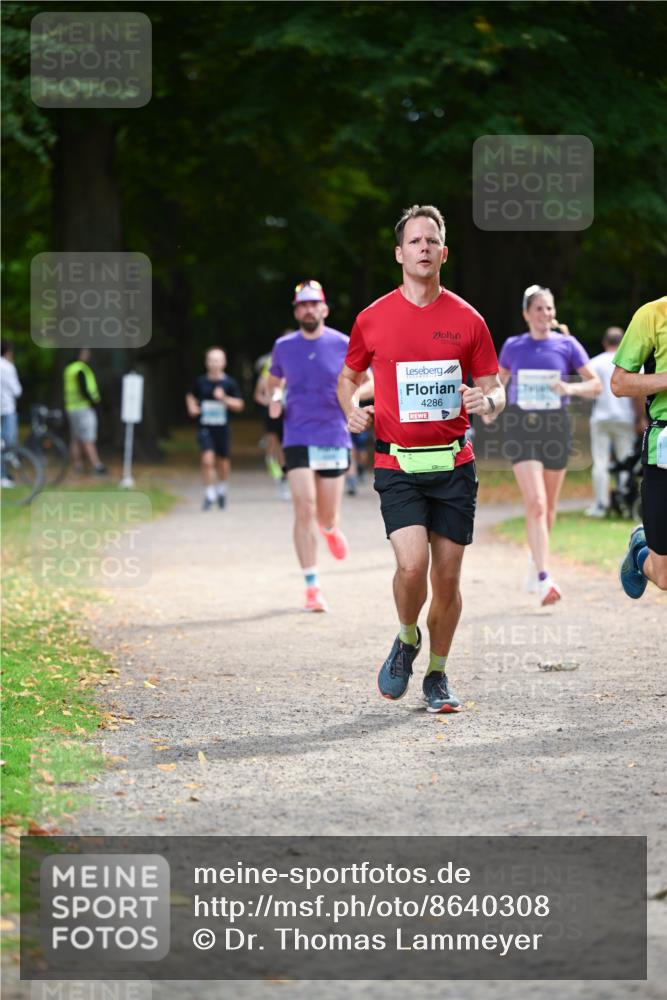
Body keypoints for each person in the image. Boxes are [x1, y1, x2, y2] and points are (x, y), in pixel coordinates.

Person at [338, 204, 505, 714]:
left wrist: (488, 402)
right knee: (412, 568)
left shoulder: (467, 318)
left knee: (447, 579)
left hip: (454, 465)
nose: (424, 249)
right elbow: (349, 379)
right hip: (397, 464)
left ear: (444, 252)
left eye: (432, 241)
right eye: (415, 241)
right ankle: (407, 636)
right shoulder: (372, 318)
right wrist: (352, 410)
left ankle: (437, 673)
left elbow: (494, 389)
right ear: (399, 253)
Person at [493, 285, 601, 605]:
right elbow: (499, 383)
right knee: (537, 503)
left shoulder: (567, 345)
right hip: (521, 428)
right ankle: (544, 578)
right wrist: (490, 408)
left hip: (556, 427)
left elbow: (595, 384)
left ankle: (535, 559)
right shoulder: (513, 346)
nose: (546, 315)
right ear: (526, 314)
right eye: (539, 309)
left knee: (549, 507)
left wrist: (568, 386)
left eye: (550, 308)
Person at [266, 280, 355, 613]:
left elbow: (370, 379)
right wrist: (275, 398)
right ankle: (312, 585)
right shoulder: (284, 346)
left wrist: (352, 397)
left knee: (326, 513)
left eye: (313, 304)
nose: (308, 310)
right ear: (296, 311)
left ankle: (331, 529)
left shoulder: (344, 344)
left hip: (333, 434)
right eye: (301, 305)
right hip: (298, 434)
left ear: (324, 309)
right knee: (304, 507)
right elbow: (273, 383)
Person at [612, 296, 667, 598]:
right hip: (664, 448)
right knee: (664, 576)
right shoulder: (652, 314)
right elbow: (619, 384)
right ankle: (640, 550)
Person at [586, 327, 644, 518]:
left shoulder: (594, 363)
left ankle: (600, 505)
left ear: (604, 342)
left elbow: (589, 391)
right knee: (626, 460)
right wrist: (640, 417)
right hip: (624, 417)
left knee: (600, 461)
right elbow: (638, 394)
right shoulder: (629, 363)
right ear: (622, 343)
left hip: (600, 417)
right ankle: (626, 500)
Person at [185, 346, 245, 511]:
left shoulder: (229, 383)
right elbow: (190, 396)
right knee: (207, 460)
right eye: (211, 360)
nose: (214, 364)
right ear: (206, 362)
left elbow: (240, 405)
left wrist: (224, 398)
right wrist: (192, 407)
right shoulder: (200, 382)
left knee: (223, 463)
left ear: (224, 363)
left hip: (223, 428)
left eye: (217, 360)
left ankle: (222, 490)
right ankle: (209, 493)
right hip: (205, 427)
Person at [63, 348, 106, 475]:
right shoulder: (81, 369)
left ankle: (78, 465)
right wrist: (94, 402)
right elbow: (84, 389)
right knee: (88, 437)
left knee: (75, 438)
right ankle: (97, 465)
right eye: (86, 353)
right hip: (84, 407)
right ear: (81, 354)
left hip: (71, 407)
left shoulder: (69, 369)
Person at [254, 349, 289, 499]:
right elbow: (258, 394)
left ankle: (283, 475)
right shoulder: (270, 366)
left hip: (289, 412)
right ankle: (275, 467)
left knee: (283, 445)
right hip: (272, 412)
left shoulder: (298, 364)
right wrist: (270, 402)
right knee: (273, 441)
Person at [1, 340, 23, 487]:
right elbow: (17, 391)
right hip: (7, 409)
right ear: (8, 352)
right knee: (9, 443)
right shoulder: (8, 367)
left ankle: (3, 476)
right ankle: (9, 463)